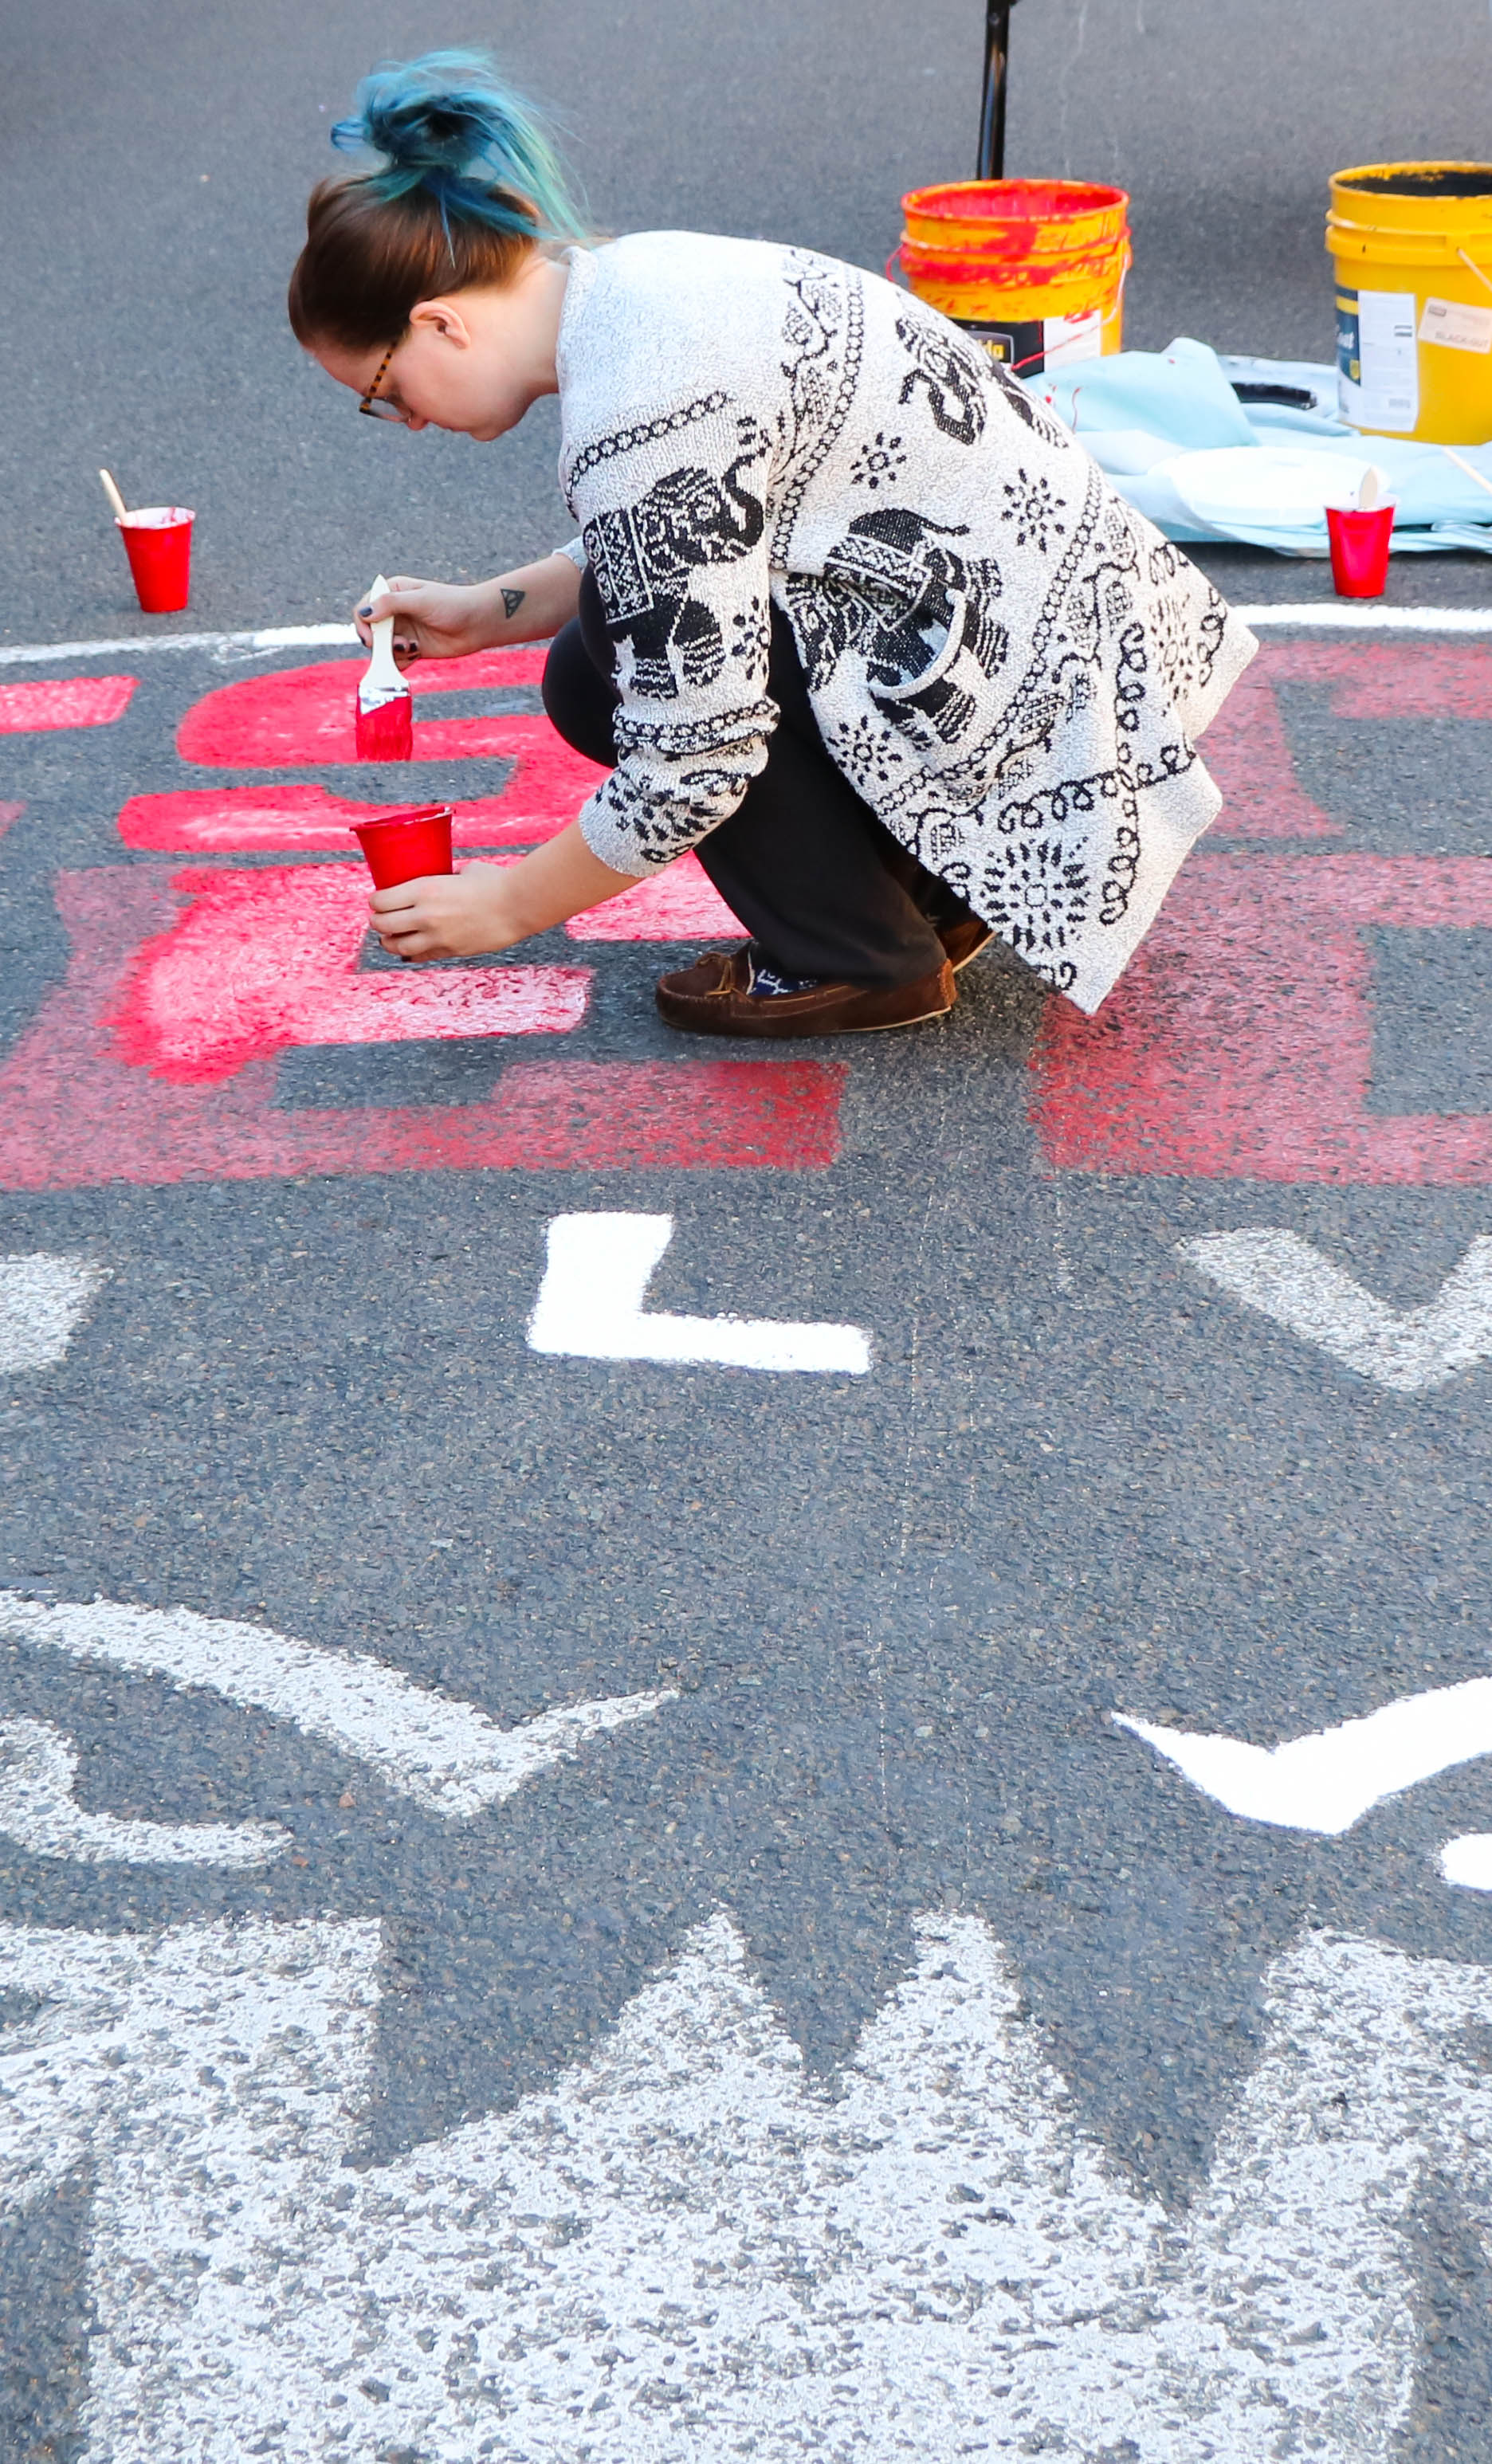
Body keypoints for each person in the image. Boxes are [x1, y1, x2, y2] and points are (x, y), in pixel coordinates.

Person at [291, 50, 1257, 1037]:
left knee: (631, 655)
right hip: (1067, 654)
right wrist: (487, 612)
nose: (409, 420)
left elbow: (698, 754)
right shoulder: (633, 286)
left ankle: (861, 958)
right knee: (595, 654)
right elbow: (700, 528)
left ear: (439, 324)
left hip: (1035, 709)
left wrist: (505, 904)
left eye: (384, 392)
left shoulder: (638, 403)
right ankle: (933, 892)